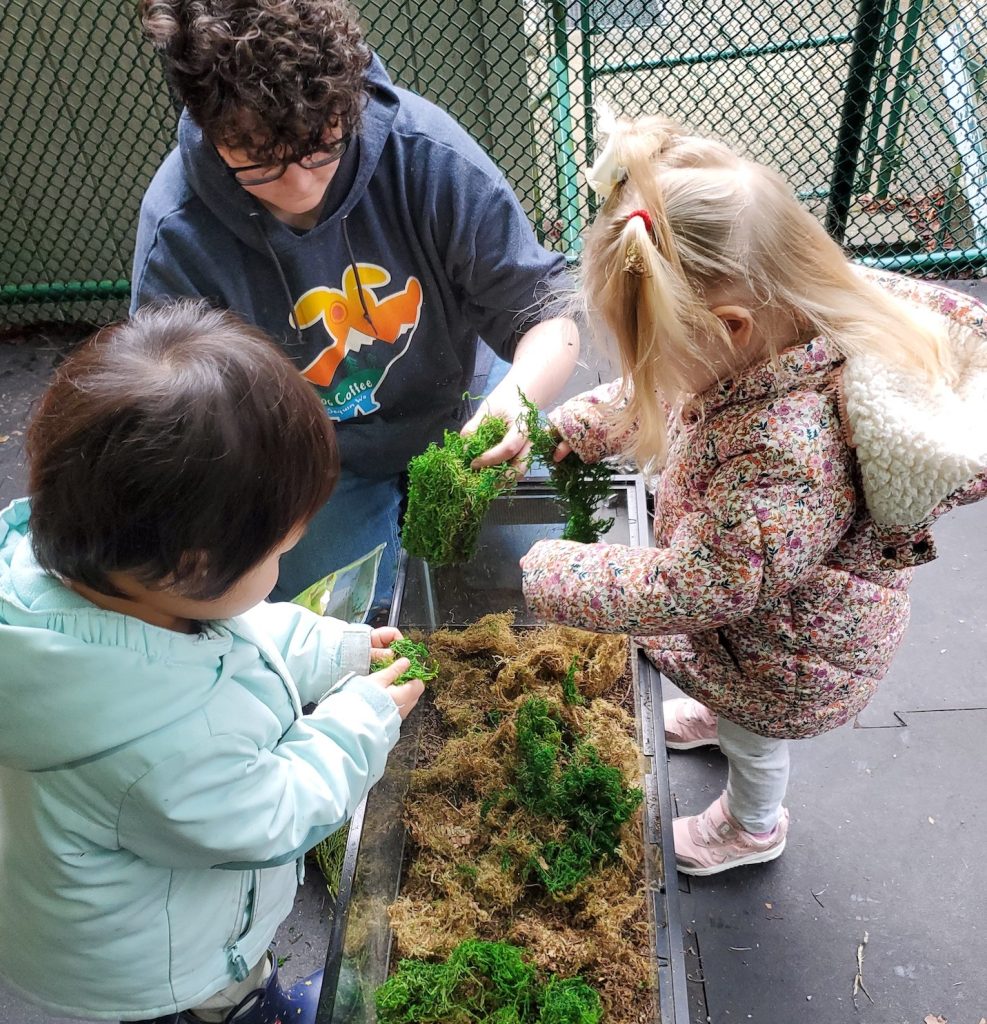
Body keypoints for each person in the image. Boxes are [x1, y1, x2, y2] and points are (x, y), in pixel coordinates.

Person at [521, 112, 987, 876]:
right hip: (754, 626)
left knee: (755, 740)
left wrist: (556, 573)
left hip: (791, 655)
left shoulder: (788, 452)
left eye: (652, 356)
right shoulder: (764, 345)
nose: (652, 378)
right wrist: (585, 422)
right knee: (736, 713)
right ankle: (720, 708)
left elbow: (699, 583)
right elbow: (673, 394)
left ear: (727, 328)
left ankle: (751, 826)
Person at [0, 302, 425, 1022]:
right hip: (151, 984)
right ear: (196, 568)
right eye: (280, 551)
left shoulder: (78, 583)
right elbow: (269, 813)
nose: (285, 559)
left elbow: (239, 633)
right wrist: (361, 722)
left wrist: (336, 649)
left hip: (81, 923)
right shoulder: (147, 743)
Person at [132, 0, 579, 616]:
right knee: (334, 618)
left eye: (321, 148)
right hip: (307, 463)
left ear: (348, 103)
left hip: (461, 407)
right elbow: (182, 420)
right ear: (209, 127)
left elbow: (549, 317)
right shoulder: (177, 231)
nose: (300, 187)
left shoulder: (428, 156)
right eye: (259, 161)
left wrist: (519, 401)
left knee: (531, 578)